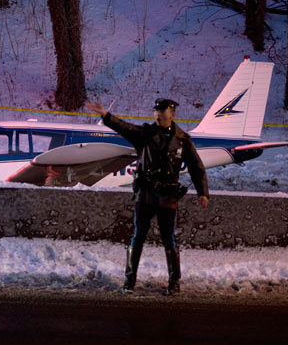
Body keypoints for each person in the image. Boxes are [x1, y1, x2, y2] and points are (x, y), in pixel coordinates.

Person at [86, 98, 209, 295]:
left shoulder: (183, 139)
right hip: (145, 194)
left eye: (162, 111)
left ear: (172, 114)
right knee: (139, 235)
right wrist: (106, 116)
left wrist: (203, 193)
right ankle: (129, 280)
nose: (158, 114)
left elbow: (196, 167)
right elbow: (125, 128)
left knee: (169, 238)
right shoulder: (145, 134)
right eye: (156, 111)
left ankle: (174, 282)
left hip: (168, 195)